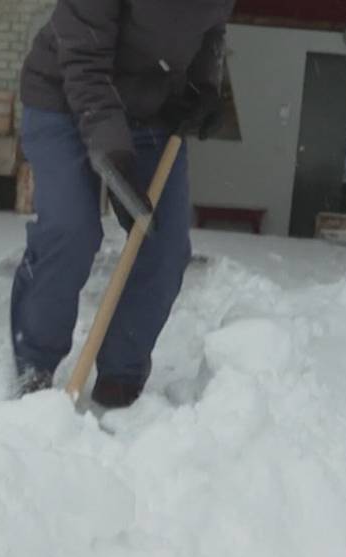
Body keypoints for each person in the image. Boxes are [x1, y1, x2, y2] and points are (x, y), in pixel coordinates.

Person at [12, 0, 236, 408]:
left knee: (165, 246)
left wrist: (204, 86)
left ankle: (122, 372)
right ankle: (35, 361)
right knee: (71, 230)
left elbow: (211, 30)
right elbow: (84, 61)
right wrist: (114, 153)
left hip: (150, 112)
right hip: (64, 98)